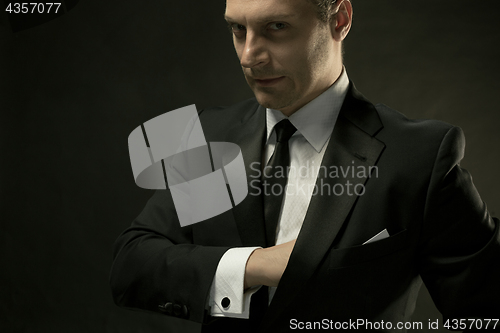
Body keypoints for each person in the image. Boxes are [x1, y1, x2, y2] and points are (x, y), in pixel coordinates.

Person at [110, 0, 500, 332]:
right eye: (237, 30)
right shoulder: (208, 135)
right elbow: (134, 264)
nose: (249, 55)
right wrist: (255, 265)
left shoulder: (419, 156)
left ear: (339, 20)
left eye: (276, 27)